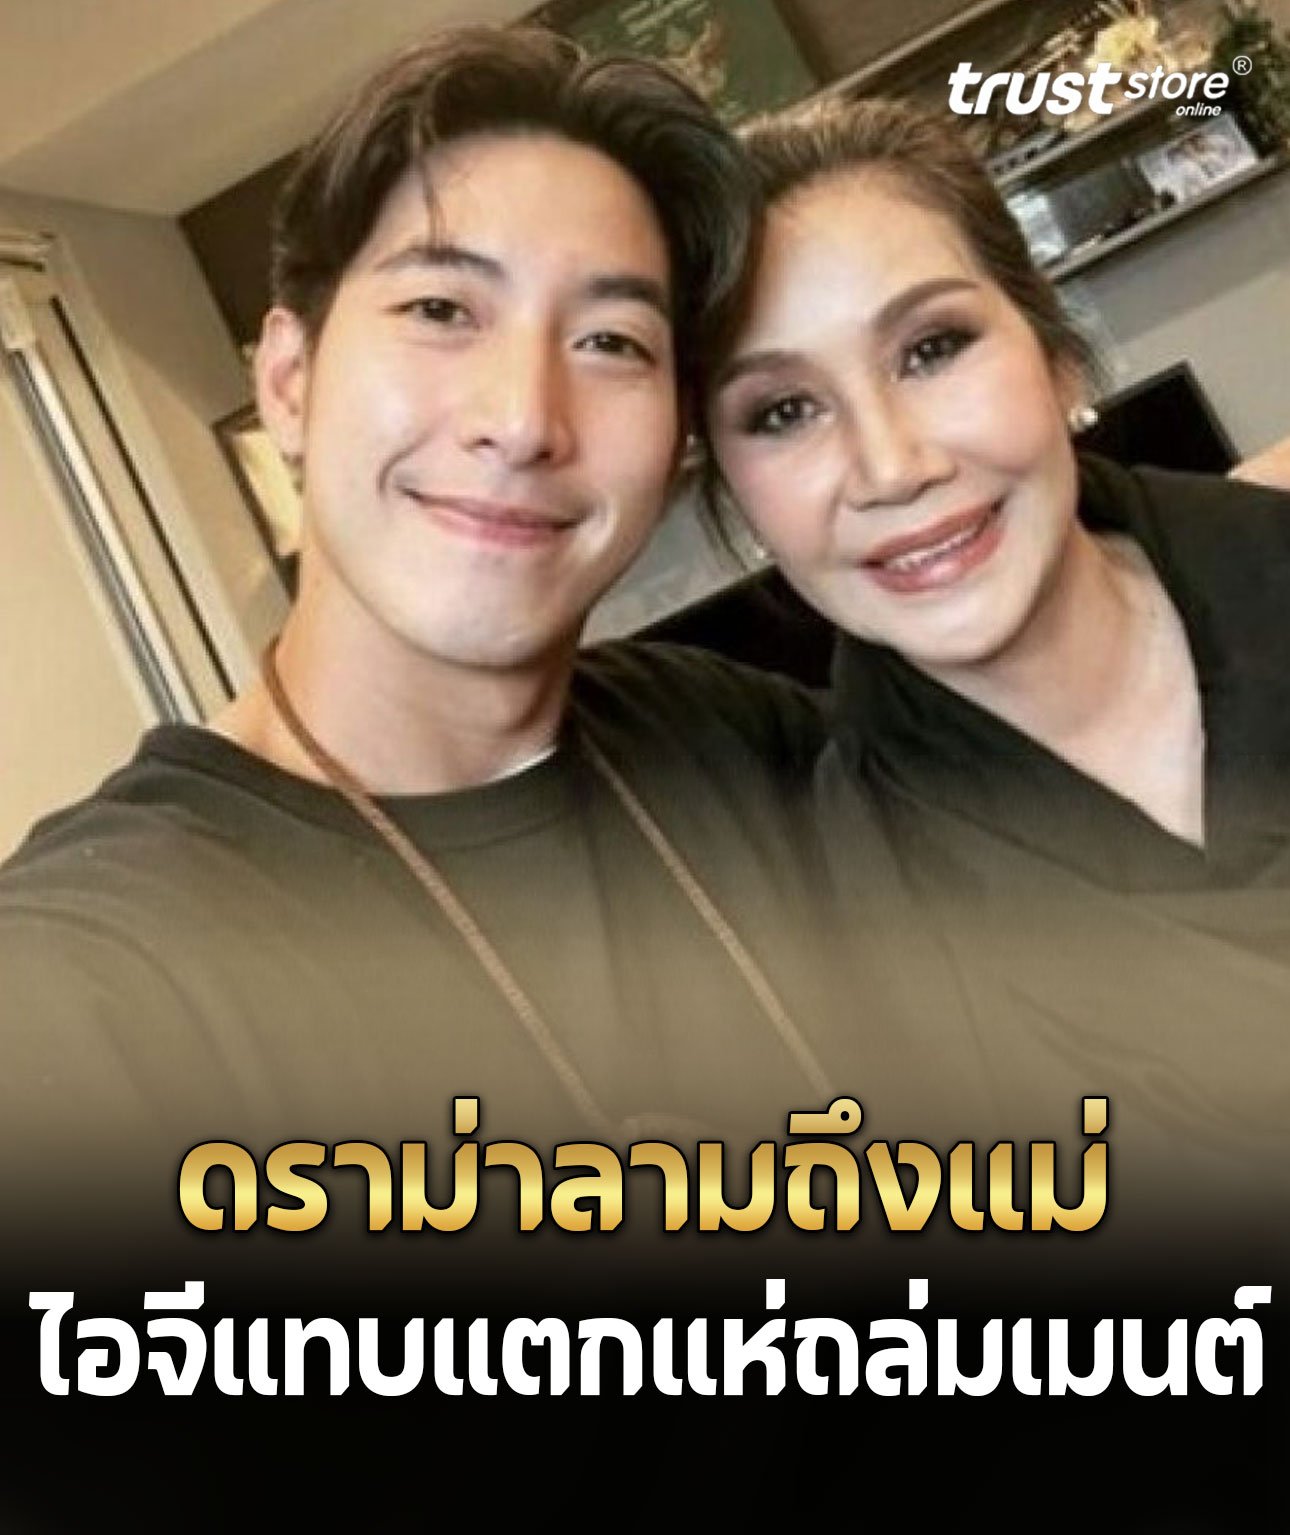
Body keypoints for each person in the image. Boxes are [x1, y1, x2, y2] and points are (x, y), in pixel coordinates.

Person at [0, 29, 856, 1272]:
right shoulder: (92, 985)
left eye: (612, 342)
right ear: (289, 383)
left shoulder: (739, 733)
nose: (523, 419)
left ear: (677, 433)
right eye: (441, 309)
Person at [703, 97, 1290, 1262]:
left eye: (932, 348)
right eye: (783, 411)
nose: (890, 465)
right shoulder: (849, 919)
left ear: (1055, 352)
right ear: (736, 495)